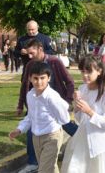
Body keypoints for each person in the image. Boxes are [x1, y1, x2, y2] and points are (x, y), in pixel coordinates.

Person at [17, 39, 77, 173]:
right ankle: (33, 162)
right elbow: (24, 86)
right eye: (28, 54)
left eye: (32, 53)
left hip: (55, 105)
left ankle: (83, 140)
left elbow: (70, 82)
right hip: (36, 104)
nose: (30, 57)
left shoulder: (55, 61)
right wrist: (21, 105)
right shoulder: (30, 65)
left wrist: (66, 102)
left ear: (40, 48)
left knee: (67, 125)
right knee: (31, 132)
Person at [61, 56, 105, 173]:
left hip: (100, 143)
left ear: (99, 71)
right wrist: (77, 106)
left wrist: (90, 112)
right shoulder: (82, 89)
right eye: (82, 71)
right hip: (83, 138)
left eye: (89, 72)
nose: (85, 75)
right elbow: (80, 118)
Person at [9, 61, 70, 173]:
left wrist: (58, 113)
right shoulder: (30, 95)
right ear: (30, 78)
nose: (39, 82)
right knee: (50, 167)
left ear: (49, 78)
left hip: (52, 136)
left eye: (42, 78)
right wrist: (19, 129)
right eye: (35, 78)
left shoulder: (52, 96)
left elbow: (65, 117)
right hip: (36, 137)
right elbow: (30, 117)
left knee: (44, 169)